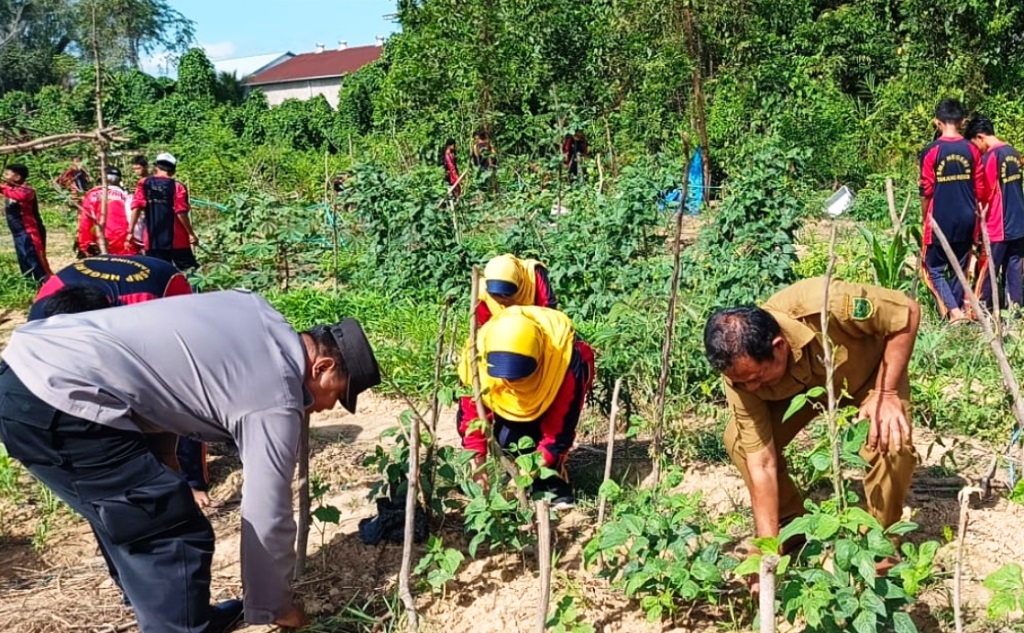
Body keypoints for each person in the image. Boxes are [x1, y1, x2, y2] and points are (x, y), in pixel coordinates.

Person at [0, 289, 382, 631]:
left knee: (136, 514)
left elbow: (168, 370)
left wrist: (165, 456)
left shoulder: (250, 308)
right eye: (338, 393)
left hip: (31, 369)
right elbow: (268, 511)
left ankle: (178, 616)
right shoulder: (276, 398)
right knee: (171, 531)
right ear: (322, 367)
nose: (329, 406)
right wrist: (274, 607)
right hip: (59, 400)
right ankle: (178, 625)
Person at [704, 278, 920, 579]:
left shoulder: (827, 304)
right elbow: (761, 461)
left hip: (870, 379)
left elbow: (907, 313)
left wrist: (885, 393)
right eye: (741, 383)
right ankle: (791, 523)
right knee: (739, 441)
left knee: (888, 438)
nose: (749, 387)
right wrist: (767, 548)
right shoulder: (740, 377)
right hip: (798, 393)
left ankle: (877, 543)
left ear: (778, 347)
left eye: (756, 377)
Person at [456, 306, 595, 509]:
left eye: (520, 377)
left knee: (533, 442)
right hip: (504, 405)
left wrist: (518, 483)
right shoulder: (476, 362)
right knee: (507, 438)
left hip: (553, 390)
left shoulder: (564, 363)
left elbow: (557, 435)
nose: (512, 383)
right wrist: (479, 473)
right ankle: (517, 467)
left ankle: (550, 482)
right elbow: (472, 419)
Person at [919, 98, 983, 322]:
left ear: (937, 123)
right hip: (967, 217)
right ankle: (959, 312)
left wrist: (925, 217)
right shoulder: (972, 149)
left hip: (940, 217)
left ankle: (954, 312)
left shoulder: (931, 151)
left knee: (932, 267)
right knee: (960, 267)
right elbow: (979, 187)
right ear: (963, 122)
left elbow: (926, 190)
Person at [964, 114, 1024, 311]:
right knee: (1014, 268)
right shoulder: (1013, 153)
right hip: (1018, 221)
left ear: (980, 137)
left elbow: (983, 193)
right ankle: (1015, 313)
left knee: (988, 270)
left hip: (999, 223)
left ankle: (981, 311)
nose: (976, 150)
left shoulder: (991, 157)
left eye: (975, 144)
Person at [129, 152, 200, 271]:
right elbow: (181, 212)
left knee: (159, 274)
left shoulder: (144, 184)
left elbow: (136, 207)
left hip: (153, 240)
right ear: (173, 170)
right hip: (178, 240)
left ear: (156, 167)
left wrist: (130, 231)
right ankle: (190, 290)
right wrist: (191, 234)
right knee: (190, 272)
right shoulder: (177, 186)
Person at [2, 163, 52, 282]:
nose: (4, 176)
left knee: (37, 262)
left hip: (30, 232)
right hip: (17, 233)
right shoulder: (10, 188)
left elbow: (21, 196)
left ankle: (48, 286)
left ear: (17, 177)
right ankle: (31, 286)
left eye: (7, 174)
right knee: (24, 262)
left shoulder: (26, 189)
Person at [476, 253, 558, 326]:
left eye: (507, 295)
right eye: (498, 295)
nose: (505, 301)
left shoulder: (531, 273)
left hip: (536, 327)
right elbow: (483, 325)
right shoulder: (482, 292)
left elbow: (548, 309)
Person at [77, 166, 137, 257]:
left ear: (102, 178)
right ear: (119, 180)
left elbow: (85, 222)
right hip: (121, 242)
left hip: (98, 241)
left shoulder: (91, 195)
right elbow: (132, 218)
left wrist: (84, 245)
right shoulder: (126, 196)